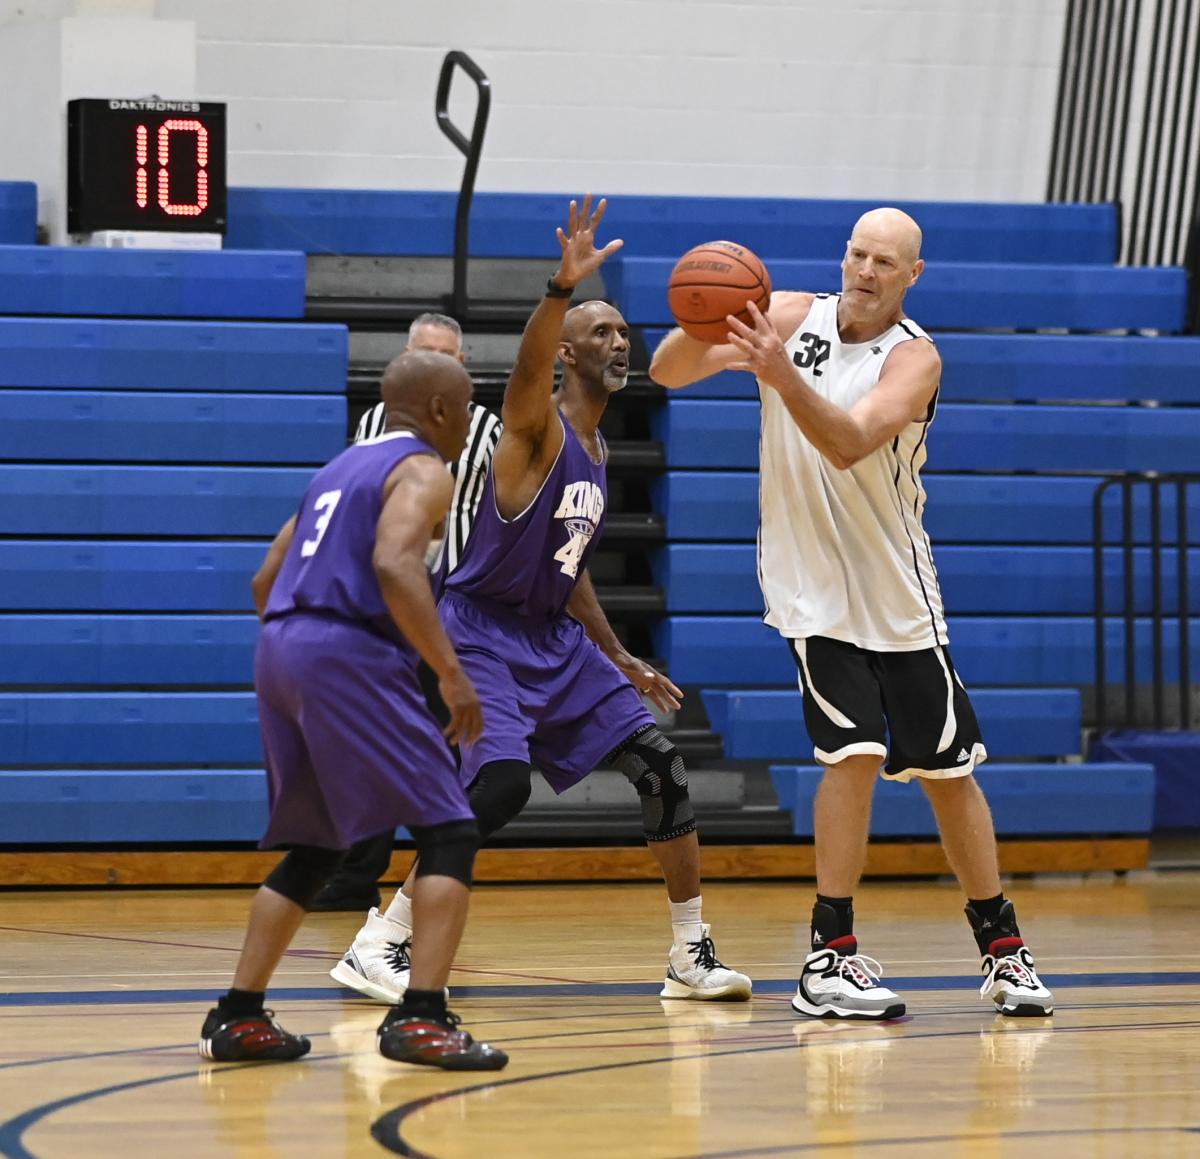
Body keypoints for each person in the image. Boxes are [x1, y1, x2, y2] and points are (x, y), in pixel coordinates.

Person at [332, 196, 751, 1005]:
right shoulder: (536, 429)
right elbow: (527, 369)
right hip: (480, 631)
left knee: (661, 766)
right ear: (564, 353)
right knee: (501, 786)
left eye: (623, 332)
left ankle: (689, 952)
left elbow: (571, 562)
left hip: (552, 636)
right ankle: (379, 940)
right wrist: (560, 289)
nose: (619, 341)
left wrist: (619, 654)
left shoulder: (598, 448)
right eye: (601, 333)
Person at [649, 208, 1053, 1020]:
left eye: (885, 261)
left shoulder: (914, 357)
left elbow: (849, 441)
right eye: (858, 254)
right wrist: (707, 318)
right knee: (854, 753)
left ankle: (1003, 949)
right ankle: (828, 956)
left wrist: (778, 373)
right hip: (811, 586)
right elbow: (666, 370)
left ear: (913, 275)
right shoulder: (790, 314)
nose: (866, 270)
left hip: (897, 588)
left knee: (949, 771)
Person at [198, 350, 508, 1070]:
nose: (469, 423)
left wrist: (304, 650)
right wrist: (450, 673)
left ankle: (237, 1014)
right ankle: (421, 1017)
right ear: (438, 409)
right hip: (347, 650)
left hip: (281, 647)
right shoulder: (424, 468)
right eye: (466, 408)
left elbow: (265, 579)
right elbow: (395, 563)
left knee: (318, 845)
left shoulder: (336, 472)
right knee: (450, 828)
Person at [311, 313, 502, 913]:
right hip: (390, 605)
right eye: (425, 352)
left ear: (462, 366)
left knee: (449, 749)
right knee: (373, 743)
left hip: (460, 606)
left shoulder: (489, 429)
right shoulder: (374, 424)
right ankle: (356, 877)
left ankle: (433, 875)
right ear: (403, 360)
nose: (434, 363)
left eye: (446, 355)